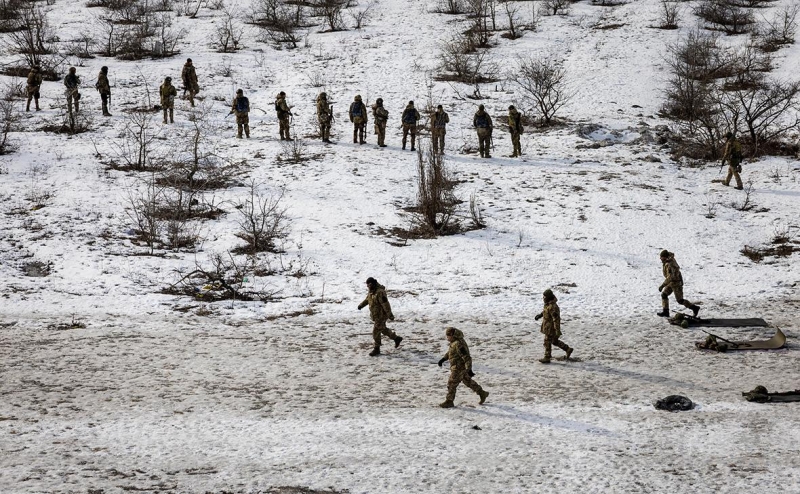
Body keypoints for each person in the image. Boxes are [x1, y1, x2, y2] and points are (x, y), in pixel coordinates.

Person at [437, 327, 489, 408]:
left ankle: (449, 401)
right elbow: (451, 352)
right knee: (467, 381)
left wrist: (469, 369)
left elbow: (466, 357)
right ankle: (482, 393)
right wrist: (443, 359)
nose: (447, 337)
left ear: (453, 335)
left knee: (451, 383)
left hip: (458, 368)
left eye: (448, 336)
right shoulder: (454, 342)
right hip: (458, 367)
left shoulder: (459, 344)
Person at [357, 277, 402, 356]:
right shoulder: (371, 292)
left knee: (375, 332)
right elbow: (367, 300)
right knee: (383, 329)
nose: (368, 286)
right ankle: (396, 338)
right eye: (367, 285)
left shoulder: (380, 292)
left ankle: (376, 349)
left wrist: (390, 314)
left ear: (373, 283)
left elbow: (385, 304)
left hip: (381, 315)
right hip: (376, 315)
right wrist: (361, 305)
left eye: (369, 284)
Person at [657, 250, 700, 318]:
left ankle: (694, 308)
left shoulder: (670, 264)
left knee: (680, 300)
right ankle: (665, 312)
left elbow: (670, 277)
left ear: (665, 257)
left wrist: (662, 285)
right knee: (664, 295)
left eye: (661, 257)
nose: (660, 259)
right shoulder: (667, 261)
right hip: (671, 283)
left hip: (676, 284)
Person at [535, 289, 573, 364]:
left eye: (544, 297)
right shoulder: (548, 304)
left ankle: (547, 357)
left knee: (547, 341)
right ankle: (567, 349)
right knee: (554, 341)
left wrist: (557, 330)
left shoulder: (553, 307)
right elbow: (546, 311)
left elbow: (556, 319)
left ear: (548, 297)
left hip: (551, 328)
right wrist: (540, 315)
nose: (543, 298)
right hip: (548, 326)